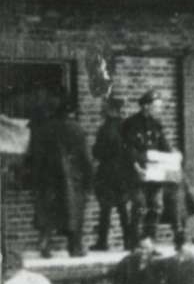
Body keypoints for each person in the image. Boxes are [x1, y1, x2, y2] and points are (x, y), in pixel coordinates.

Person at [26, 97, 94, 259]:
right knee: (75, 212)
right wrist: (89, 181)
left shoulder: (44, 129)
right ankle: (75, 247)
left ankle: (45, 243)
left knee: (49, 212)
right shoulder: (77, 129)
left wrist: (35, 179)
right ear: (71, 112)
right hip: (73, 179)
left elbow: (35, 156)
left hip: (48, 178)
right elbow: (86, 159)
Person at [123, 90, 179, 243]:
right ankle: (134, 244)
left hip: (154, 173)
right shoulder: (131, 124)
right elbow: (128, 149)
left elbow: (164, 145)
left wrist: (173, 154)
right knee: (139, 206)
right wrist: (136, 167)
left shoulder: (156, 125)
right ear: (146, 106)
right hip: (137, 172)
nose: (159, 109)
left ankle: (149, 242)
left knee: (156, 206)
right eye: (156, 106)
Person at [92, 95, 138, 252]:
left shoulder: (105, 129)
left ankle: (102, 242)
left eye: (105, 108)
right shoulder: (127, 127)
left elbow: (97, 152)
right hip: (123, 173)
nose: (102, 110)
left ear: (110, 110)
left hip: (107, 172)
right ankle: (128, 241)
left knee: (105, 208)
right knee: (123, 208)